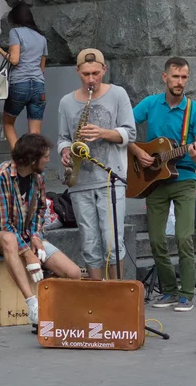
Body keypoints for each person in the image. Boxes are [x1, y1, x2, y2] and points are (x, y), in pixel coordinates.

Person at [0, 134, 81, 324]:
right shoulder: (1, 175)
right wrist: (27, 253)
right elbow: (3, 222)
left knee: (74, 273)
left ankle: (50, 302)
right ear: (33, 159)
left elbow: (40, 210)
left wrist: (35, 236)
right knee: (9, 238)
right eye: (45, 157)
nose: (49, 160)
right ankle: (32, 304)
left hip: (25, 234)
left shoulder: (38, 178)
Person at [129, 57, 196, 312]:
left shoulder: (195, 110)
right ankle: (170, 290)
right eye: (175, 77)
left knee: (184, 237)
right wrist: (138, 152)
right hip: (154, 180)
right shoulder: (151, 104)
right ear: (164, 78)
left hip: (184, 179)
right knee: (156, 239)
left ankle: (187, 293)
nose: (180, 82)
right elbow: (125, 128)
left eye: (184, 77)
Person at [58, 48, 136, 280]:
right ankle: (96, 296)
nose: (91, 79)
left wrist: (103, 132)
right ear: (77, 72)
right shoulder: (66, 102)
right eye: (85, 74)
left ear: (104, 69)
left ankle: (117, 294)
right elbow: (63, 137)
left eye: (95, 73)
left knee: (112, 242)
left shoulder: (118, 94)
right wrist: (63, 150)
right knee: (89, 244)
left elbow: (130, 133)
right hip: (80, 181)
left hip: (110, 180)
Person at [0, 3, 48, 149]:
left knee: (8, 123)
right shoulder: (42, 38)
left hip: (20, 83)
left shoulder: (16, 32)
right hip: (39, 86)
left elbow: (14, 60)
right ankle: (35, 165)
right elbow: (42, 69)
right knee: (35, 133)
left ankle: (20, 159)